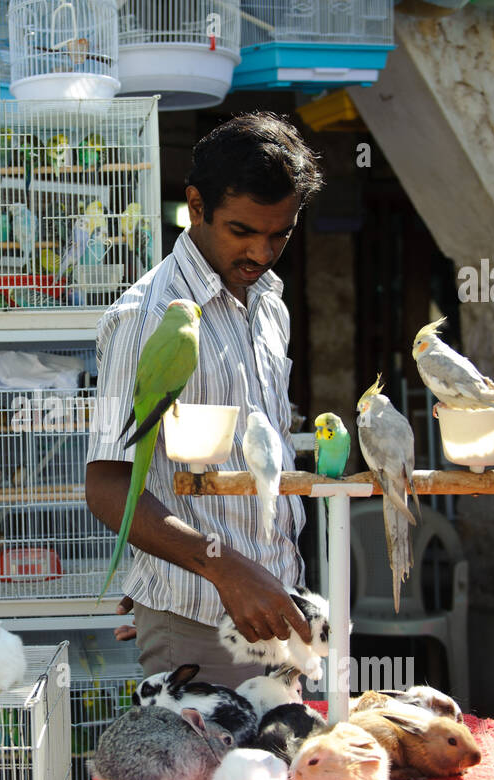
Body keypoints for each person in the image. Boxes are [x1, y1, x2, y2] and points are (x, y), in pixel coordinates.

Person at [85, 111, 323, 688]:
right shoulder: (143, 317)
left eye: (280, 234)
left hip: (273, 610)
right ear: (196, 206)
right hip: (200, 623)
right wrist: (221, 571)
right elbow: (109, 486)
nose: (262, 253)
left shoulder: (270, 304)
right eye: (242, 231)